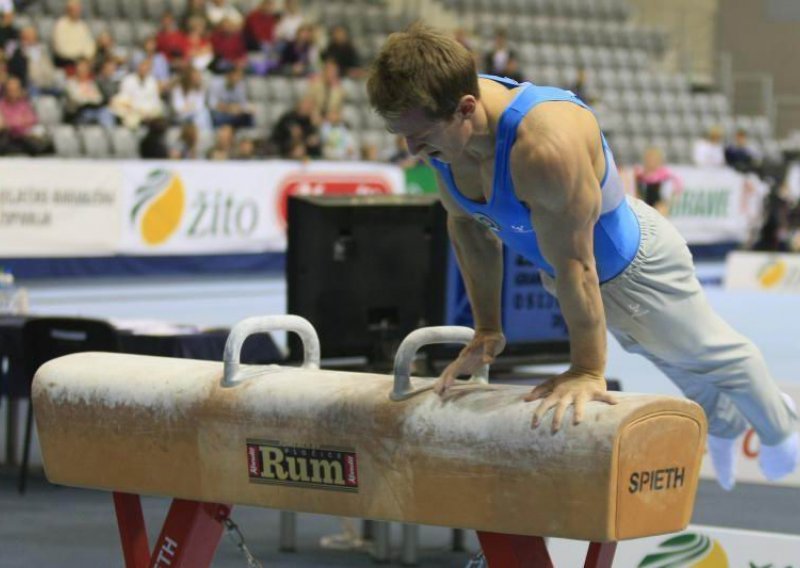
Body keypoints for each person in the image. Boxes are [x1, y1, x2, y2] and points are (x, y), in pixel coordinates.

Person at [366, 24, 798, 490]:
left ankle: (783, 432)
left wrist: (587, 370)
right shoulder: (440, 126)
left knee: (716, 355)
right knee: (666, 354)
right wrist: (488, 329)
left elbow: (579, 264)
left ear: (465, 109)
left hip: (635, 265)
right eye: (400, 134)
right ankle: (728, 423)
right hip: (575, 270)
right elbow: (469, 228)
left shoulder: (544, 147)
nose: (411, 150)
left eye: (421, 136)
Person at [634, 146, 682, 216]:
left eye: (654, 159)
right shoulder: (639, 175)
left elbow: (677, 185)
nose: (651, 161)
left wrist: (667, 202)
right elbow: (636, 192)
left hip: (659, 208)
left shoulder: (664, 175)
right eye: (649, 159)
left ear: (659, 161)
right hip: (642, 207)